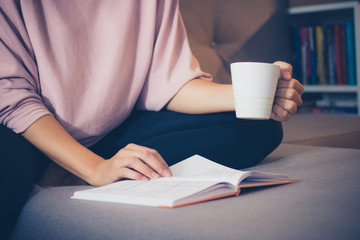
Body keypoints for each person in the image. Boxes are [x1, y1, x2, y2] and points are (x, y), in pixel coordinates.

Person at [0, 0, 304, 238]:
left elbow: (170, 84)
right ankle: (78, 166)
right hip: (28, 133)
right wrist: (94, 169)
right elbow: (12, 96)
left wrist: (259, 94)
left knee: (257, 123)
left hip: (115, 129)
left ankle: (85, 169)